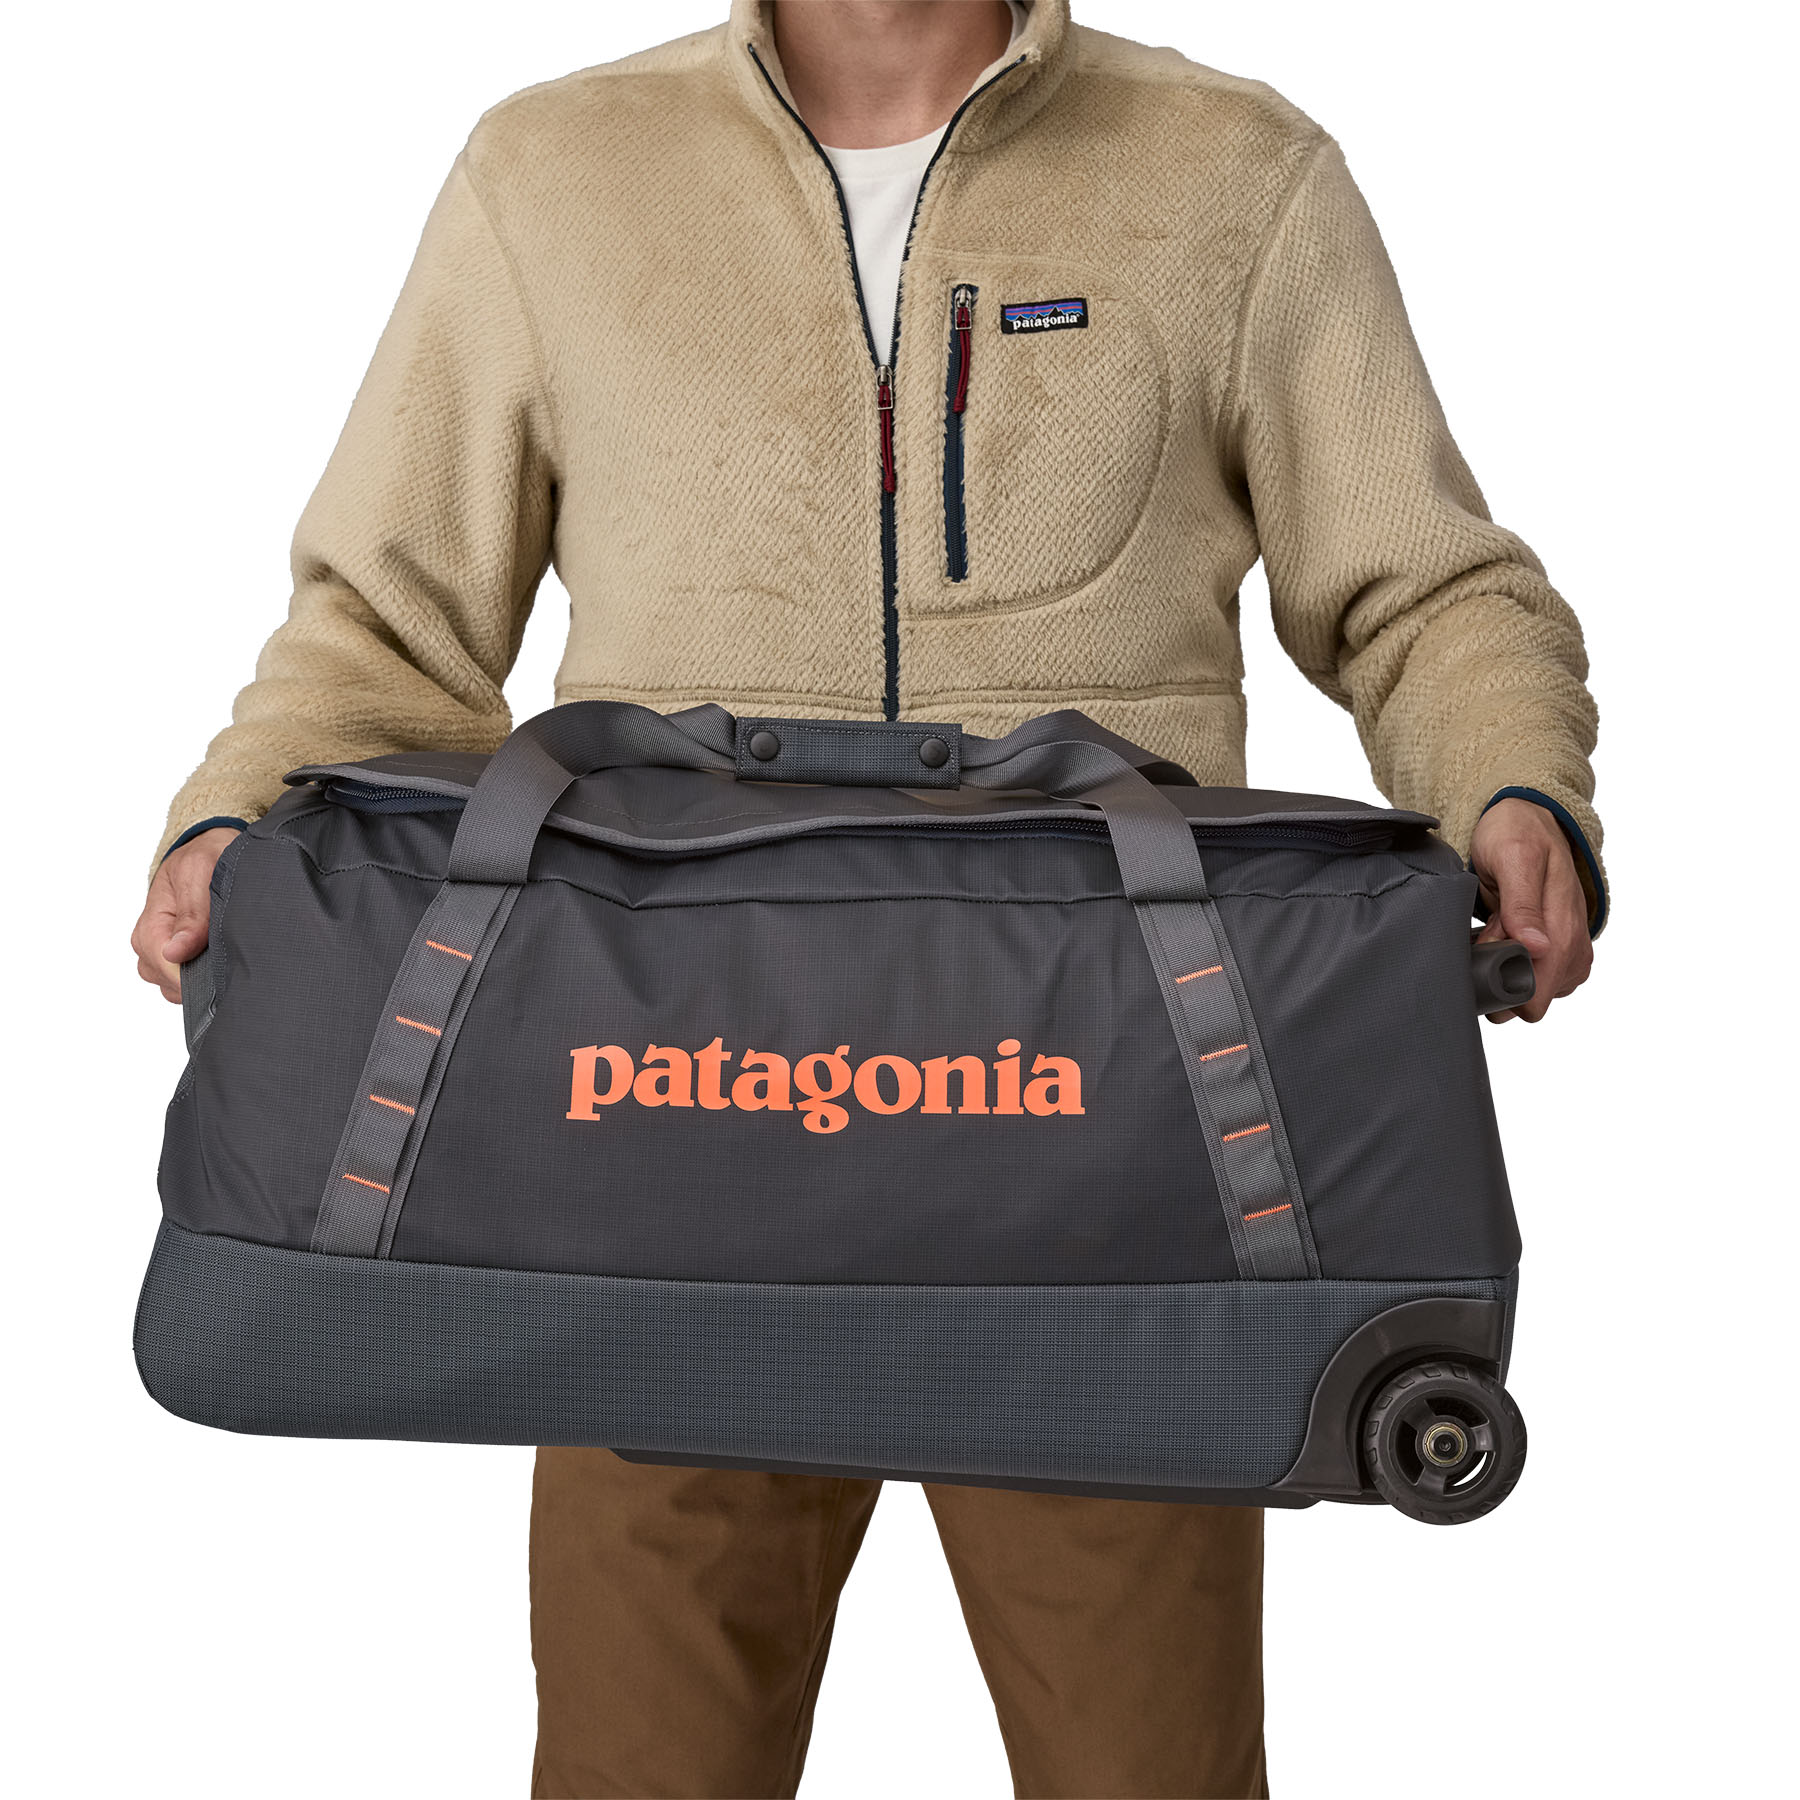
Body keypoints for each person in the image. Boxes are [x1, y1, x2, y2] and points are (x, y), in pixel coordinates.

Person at [131, 3, 1604, 1793]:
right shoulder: (553, 172)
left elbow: (1426, 590)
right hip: (654, 1150)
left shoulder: (1236, 172)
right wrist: (235, 815)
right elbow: (385, 620)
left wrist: (1511, 782)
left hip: (1102, 1164)